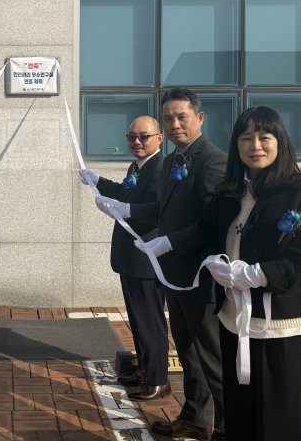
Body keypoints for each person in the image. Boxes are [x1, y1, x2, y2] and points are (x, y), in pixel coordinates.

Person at [168, 107, 301, 441]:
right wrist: (211, 261)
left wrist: (262, 274)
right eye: (246, 138)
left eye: (264, 137)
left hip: (283, 331)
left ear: (279, 142)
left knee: (280, 421)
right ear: (236, 146)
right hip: (234, 322)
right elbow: (207, 233)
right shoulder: (229, 193)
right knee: (240, 418)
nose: (255, 145)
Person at [95, 88, 227, 441]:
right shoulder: (174, 161)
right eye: (168, 118)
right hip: (174, 274)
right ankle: (195, 417)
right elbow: (161, 209)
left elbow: (210, 222)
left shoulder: (212, 161)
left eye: (181, 117)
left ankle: (226, 427)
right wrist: (126, 209)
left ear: (199, 118)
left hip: (199, 275)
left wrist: (171, 241)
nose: (174, 124)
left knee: (211, 358)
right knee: (188, 353)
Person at [78, 116, 170, 400]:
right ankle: (144, 368)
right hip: (130, 258)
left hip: (147, 259)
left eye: (143, 136)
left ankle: (158, 379)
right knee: (137, 319)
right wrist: (100, 183)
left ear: (159, 138)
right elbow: (125, 191)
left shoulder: (162, 168)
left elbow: (157, 209)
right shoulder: (138, 166)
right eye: (132, 137)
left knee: (150, 321)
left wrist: (126, 209)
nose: (137, 142)